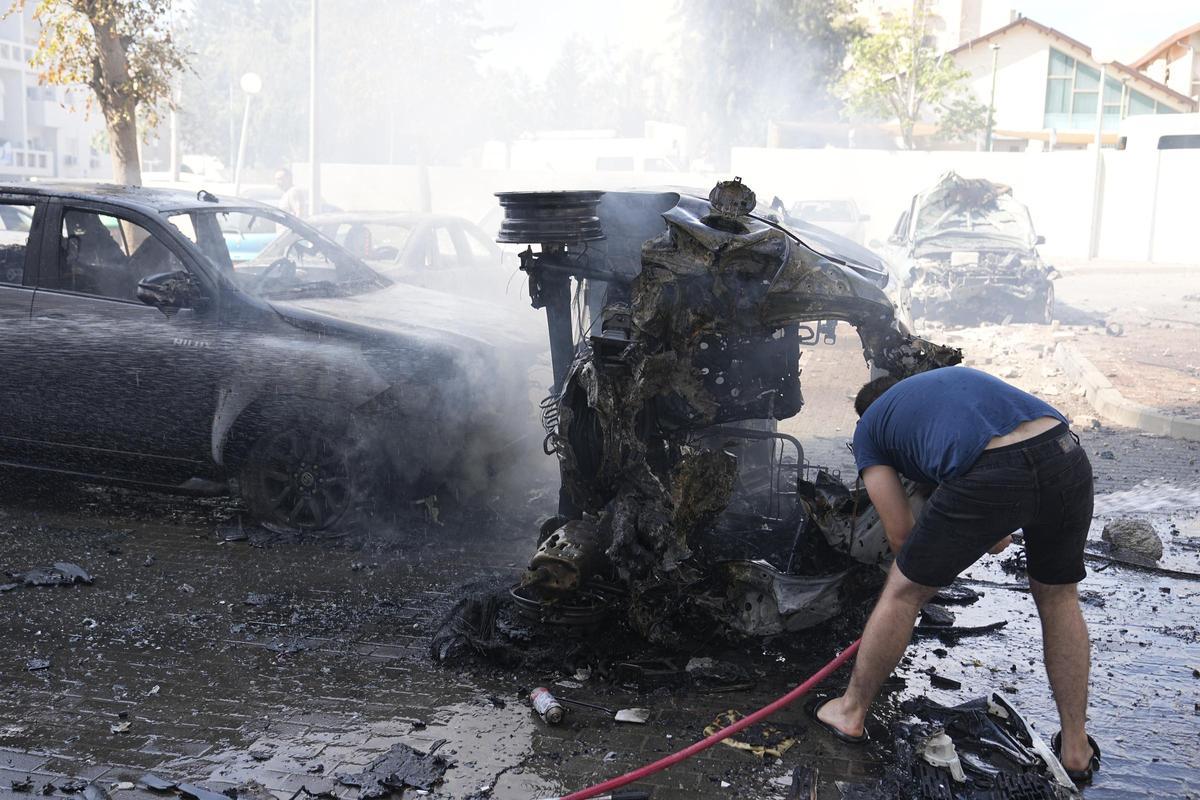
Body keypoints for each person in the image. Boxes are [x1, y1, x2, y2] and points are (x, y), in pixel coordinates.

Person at [807, 366, 1101, 786]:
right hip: (1064, 451)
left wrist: (922, 567)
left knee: (903, 592)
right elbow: (999, 537)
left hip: (993, 469)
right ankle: (1076, 748)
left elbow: (900, 535)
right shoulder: (945, 390)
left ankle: (849, 712)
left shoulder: (872, 427)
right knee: (1059, 598)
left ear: (865, 415)